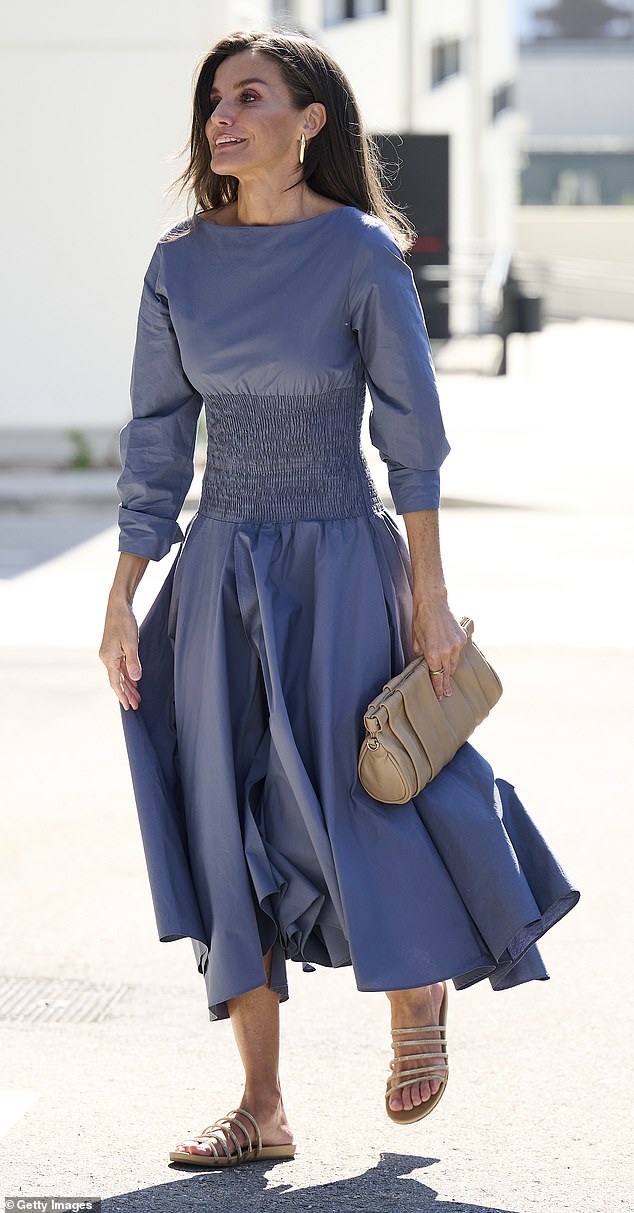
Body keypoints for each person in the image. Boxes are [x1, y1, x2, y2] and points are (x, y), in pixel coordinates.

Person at [99, 28, 579, 1169]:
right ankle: (261, 1104)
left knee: (370, 787)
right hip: (216, 565)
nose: (221, 117)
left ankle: (417, 995)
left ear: (308, 121)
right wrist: (125, 593)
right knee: (223, 811)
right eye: (213, 98)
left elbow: (411, 437)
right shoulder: (178, 262)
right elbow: (155, 443)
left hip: (341, 559)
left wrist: (429, 588)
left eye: (248, 97)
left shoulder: (363, 253)